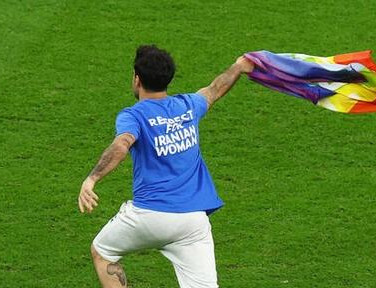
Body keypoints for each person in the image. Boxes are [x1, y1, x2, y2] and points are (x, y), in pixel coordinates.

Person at [78, 44, 254, 288]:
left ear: (137, 79)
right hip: (193, 222)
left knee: (102, 251)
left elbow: (121, 145)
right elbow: (215, 89)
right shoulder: (187, 106)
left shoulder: (134, 115)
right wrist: (239, 67)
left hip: (150, 216)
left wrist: (92, 179)